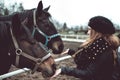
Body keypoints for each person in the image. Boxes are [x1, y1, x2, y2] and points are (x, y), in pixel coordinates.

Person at [50, 16, 120, 80]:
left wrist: (64, 70)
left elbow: (88, 73)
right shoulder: (97, 47)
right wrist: (71, 52)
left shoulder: (105, 51)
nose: (88, 32)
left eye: (90, 30)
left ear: (97, 32)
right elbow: (85, 61)